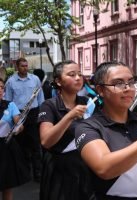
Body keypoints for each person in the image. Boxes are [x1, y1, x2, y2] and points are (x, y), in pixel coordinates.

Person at [74, 61, 137, 199]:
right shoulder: (88, 127)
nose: (128, 88)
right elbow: (104, 168)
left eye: (131, 82)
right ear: (100, 90)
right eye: (118, 83)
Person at [38, 60, 96, 200]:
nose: (78, 78)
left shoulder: (88, 102)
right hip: (60, 171)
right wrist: (69, 116)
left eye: (80, 74)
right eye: (72, 74)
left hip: (86, 165)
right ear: (58, 81)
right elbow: (46, 141)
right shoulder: (49, 106)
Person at [4, 57, 44, 182]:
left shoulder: (35, 79)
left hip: (33, 113)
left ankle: (38, 173)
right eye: (22, 66)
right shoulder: (10, 82)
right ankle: (25, 173)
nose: (25, 68)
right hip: (18, 115)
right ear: (17, 67)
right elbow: (9, 101)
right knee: (21, 145)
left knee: (35, 144)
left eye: (26, 65)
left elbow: (40, 97)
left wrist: (42, 113)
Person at [0, 78, 30, 200]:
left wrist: (19, 127)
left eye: (2, 87)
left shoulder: (10, 105)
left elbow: (18, 121)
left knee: (7, 184)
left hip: (6, 147)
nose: (0, 90)